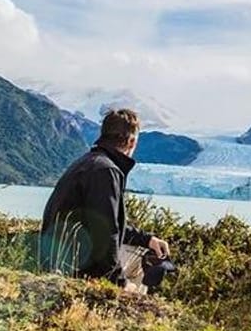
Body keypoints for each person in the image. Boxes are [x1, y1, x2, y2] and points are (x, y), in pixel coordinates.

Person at [39, 108, 170, 285]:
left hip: (64, 258)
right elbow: (105, 235)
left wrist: (147, 240)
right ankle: (124, 308)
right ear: (131, 142)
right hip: (76, 268)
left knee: (144, 250)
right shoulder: (105, 171)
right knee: (142, 265)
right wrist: (119, 283)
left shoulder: (91, 162)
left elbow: (105, 223)